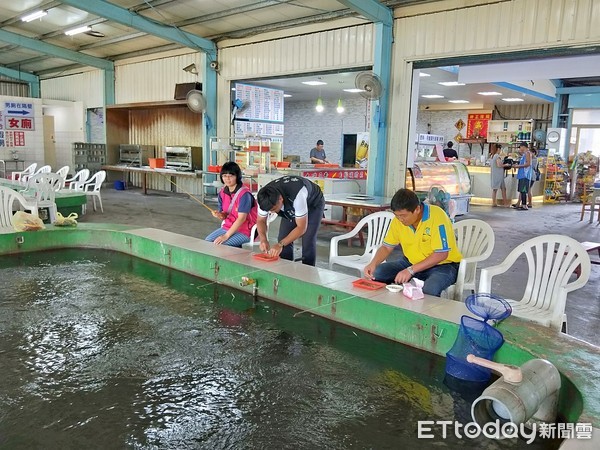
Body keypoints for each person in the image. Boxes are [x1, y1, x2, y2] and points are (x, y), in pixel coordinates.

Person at [363, 188, 462, 297]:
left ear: (417, 209)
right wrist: (373, 263)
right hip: (409, 262)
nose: (400, 219)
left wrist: (410, 270)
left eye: (403, 216)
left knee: (430, 289)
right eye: (397, 215)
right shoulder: (398, 221)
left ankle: (423, 313)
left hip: (442, 266)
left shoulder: (437, 216)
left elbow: (441, 254)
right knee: (378, 273)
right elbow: (386, 247)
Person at [256, 175, 325, 266]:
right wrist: (263, 239)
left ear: (280, 199)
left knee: (308, 240)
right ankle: (286, 269)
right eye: (269, 210)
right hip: (289, 205)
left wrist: (280, 244)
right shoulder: (264, 198)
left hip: (313, 204)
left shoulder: (298, 195)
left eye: (274, 209)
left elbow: (301, 228)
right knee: (283, 238)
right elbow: (261, 220)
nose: (271, 212)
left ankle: (308, 273)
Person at [205, 162, 257, 247]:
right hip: (227, 227)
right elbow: (225, 215)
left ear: (237, 176)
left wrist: (225, 236)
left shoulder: (244, 194)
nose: (227, 179)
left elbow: (241, 219)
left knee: (220, 245)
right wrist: (220, 215)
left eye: (231, 176)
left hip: (244, 231)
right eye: (224, 176)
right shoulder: (222, 193)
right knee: (207, 241)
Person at [511, 142, 532, 211]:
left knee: (523, 190)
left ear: (523, 147)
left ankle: (524, 205)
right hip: (522, 175)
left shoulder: (527, 153)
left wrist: (518, 166)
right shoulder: (524, 154)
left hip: (525, 175)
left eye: (520, 147)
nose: (520, 148)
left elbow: (528, 164)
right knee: (521, 190)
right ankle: (521, 204)